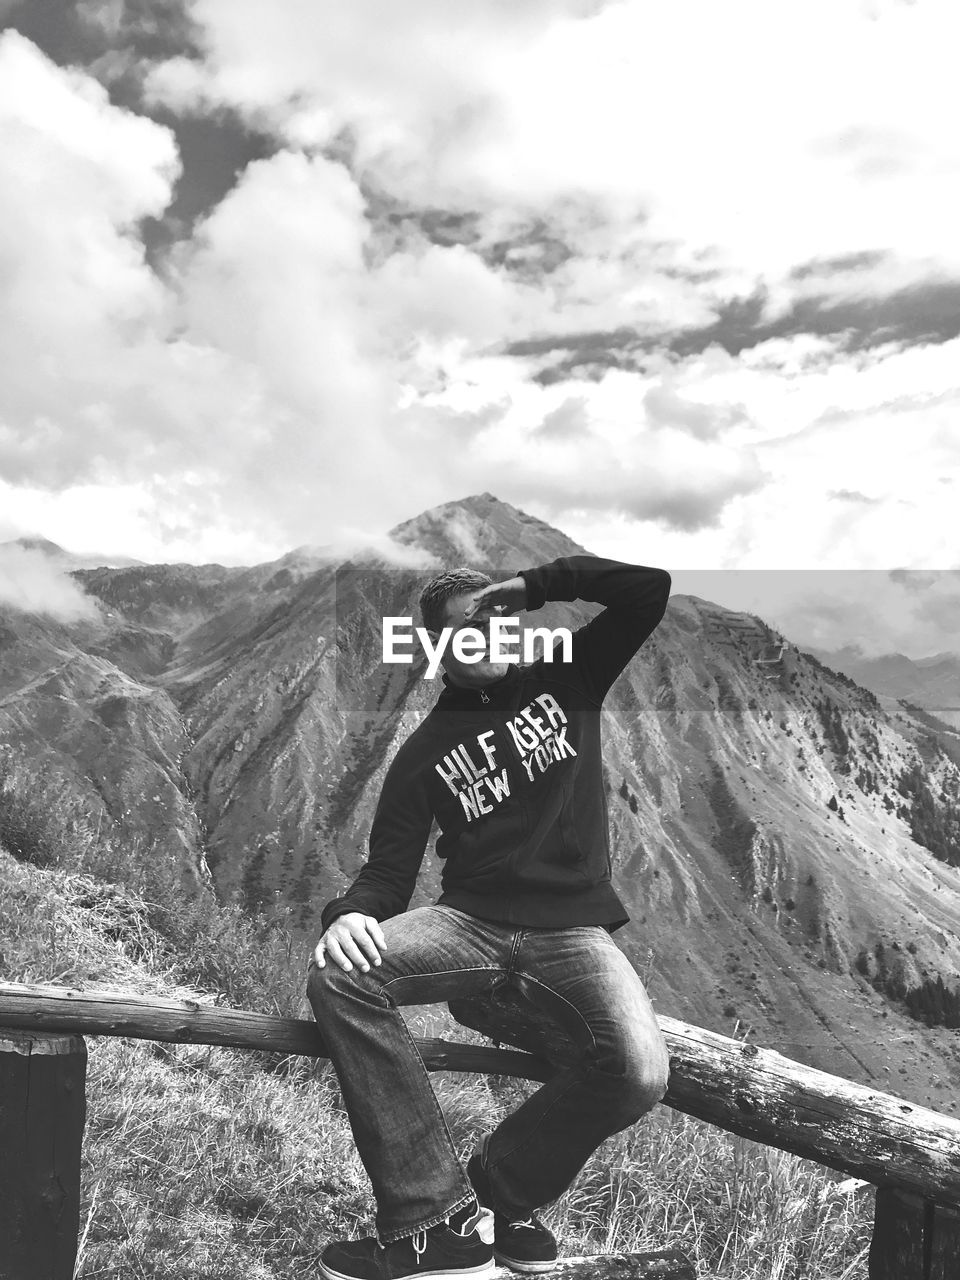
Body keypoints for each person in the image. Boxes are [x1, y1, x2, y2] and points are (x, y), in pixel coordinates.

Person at [308, 555, 672, 1280]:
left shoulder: (568, 678)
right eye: (471, 625)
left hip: (573, 931)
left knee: (637, 1071)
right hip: (468, 924)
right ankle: (433, 1223)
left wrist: (531, 587)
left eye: (502, 619)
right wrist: (347, 916)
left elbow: (647, 589)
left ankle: (500, 1194)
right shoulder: (421, 755)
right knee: (341, 977)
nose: (495, 632)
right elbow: (388, 872)